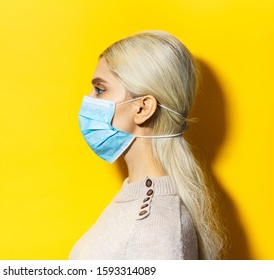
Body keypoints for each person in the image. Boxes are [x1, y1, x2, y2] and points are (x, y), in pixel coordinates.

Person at [69, 30, 224, 260]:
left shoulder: (156, 226)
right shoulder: (136, 194)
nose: (88, 99)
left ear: (143, 108)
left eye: (100, 89)